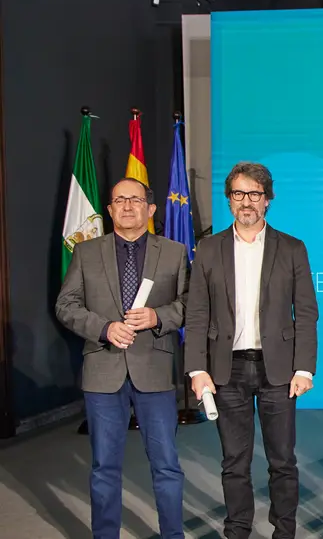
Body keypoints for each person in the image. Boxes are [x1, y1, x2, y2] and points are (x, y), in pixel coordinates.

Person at [185, 162, 319, 539]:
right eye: (239, 194)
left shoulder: (292, 248)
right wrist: (197, 369)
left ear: (268, 200)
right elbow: (197, 313)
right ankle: (238, 530)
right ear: (229, 200)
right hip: (226, 370)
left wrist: (304, 368)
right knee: (234, 462)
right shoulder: (208, 249)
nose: (247, 202)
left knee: (283, 462)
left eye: (255, 194)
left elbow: (306, 312)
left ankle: (284, 532)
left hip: (278, 370)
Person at [55, 177, 188, 539]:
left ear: (150, 208)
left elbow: (191, 304)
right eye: (119, 201)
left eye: (135, 199)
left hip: (155, 371)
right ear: (110, 209)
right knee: (104, 468)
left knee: (166, 467)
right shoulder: (86, 252)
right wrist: (103, 328)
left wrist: (158, 317)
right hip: (102, 371)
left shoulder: (175, 252)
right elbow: (65, 306)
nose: (128, 206)